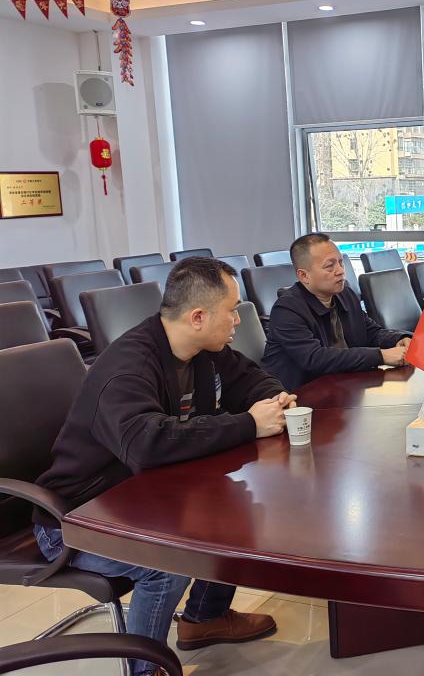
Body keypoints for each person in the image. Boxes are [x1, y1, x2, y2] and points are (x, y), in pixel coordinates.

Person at [34, 257, 295, 676]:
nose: (237, 320)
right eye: (231, 311)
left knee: (236, 511)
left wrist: (275, 399)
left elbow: (252, 377)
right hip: (75, 518)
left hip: (143, 497)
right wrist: (248, 424)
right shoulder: (129, 367)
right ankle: (146, 670)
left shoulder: (204, 349)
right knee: (165, 564)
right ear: (198, 317)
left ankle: (205, 618)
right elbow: (145, 443)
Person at [261, 233, 411, 391]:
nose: (340, 271)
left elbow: (370, 332)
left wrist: (398, 339)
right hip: (298, 395)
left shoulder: (345, 294)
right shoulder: (287, 310)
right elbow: (315, 358)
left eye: (340, 262)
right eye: (329, 266)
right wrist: (381, 355)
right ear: (304, 275)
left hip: (343, 386)